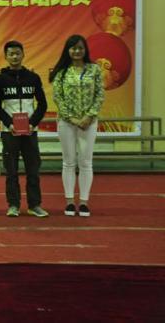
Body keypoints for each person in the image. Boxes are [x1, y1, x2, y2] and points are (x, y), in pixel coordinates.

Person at [50, 34, 104, 217]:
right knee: (69, 162)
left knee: (86, 162)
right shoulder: (61, 72)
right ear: (67, 50)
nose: (77, 51)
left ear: (85, 49)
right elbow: (58, 97)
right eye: (73, 48)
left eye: (80, 48)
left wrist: (88, 116)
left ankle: (84, 202)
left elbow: (100, 95)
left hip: (89, 123)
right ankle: (70, 202)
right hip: (66, 123)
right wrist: (71, 118)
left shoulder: (94, 69)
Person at [0, 41, 48, 218]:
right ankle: (13, 205)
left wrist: (32, 123)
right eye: (11, 54)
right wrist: (9, 123)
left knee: (33, 169)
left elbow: (43, 104)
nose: (15, 57)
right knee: (11, 170)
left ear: (23, 55)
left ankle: (34, 205)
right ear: (5, 56)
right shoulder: (0, 80)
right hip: (9, 132)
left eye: (17, 53)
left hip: (30, 131)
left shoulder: (33, 78)